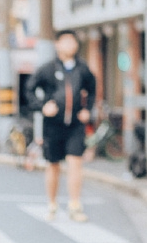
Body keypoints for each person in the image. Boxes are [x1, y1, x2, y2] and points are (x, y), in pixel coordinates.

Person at [27, 31, 96, 221]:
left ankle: (75, 205)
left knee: (75, 162)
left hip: (75, 125)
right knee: (53, 164)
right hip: (53, 125)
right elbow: (29, 89)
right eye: (65, 41)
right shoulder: (48, 69)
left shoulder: (82, 69)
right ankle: (52, 204)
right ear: (57, 44)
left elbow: (92, 89)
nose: (70, 45)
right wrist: (42, 107)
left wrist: (87, 109)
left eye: (72, 41)